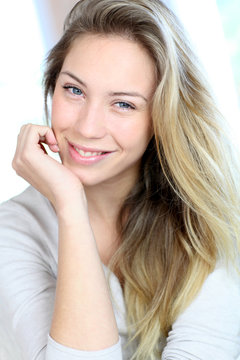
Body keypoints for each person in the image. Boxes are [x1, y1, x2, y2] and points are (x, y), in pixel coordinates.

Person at [0, 0, 239, 359]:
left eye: (123, 104)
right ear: (52, 88)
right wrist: (70, 204)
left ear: (162, 117)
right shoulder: (12, 231)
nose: (86, 127)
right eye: (74, 90)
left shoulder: (207, 221)